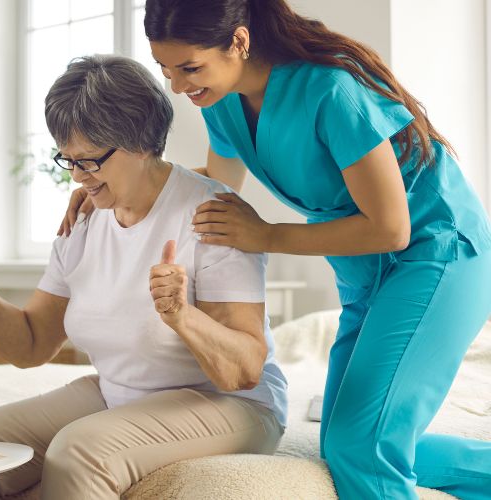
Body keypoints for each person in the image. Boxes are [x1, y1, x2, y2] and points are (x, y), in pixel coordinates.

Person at [58, 1, 491, 498]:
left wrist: (266, 235)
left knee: (363, 446)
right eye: (166, 70)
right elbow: (213, 184)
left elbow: (392, 228)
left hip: (437, 257)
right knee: (346, 443)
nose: (177, 86)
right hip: (363, 274)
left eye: (189, 67)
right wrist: (108, 181)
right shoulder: (220, 103)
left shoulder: (332, 91)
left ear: (239, 41)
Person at [0, 54, 287, 500]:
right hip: (122, 394)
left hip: (231, 405)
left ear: (139, 143)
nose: (77, 177)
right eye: (68, 160)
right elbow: (31, 346)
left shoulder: (213, 215)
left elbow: (244, 372)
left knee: (80, 452)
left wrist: (181, 316)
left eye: (90, 160)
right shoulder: (84, 219)